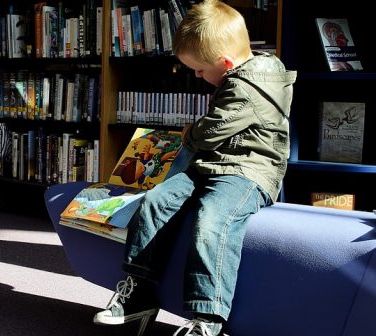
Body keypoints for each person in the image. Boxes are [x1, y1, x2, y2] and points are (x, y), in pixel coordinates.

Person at [92, 1, 297, 335]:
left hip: (248, 172)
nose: (198, 77)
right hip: (210, 165)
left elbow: (212, 130)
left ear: (226, 63)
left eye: (200, 70)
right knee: (156, 202)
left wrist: (190, 131)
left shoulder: (249, 88)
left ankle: (208, 318)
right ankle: (138, 294)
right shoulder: (237, 75)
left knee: (212, 219)